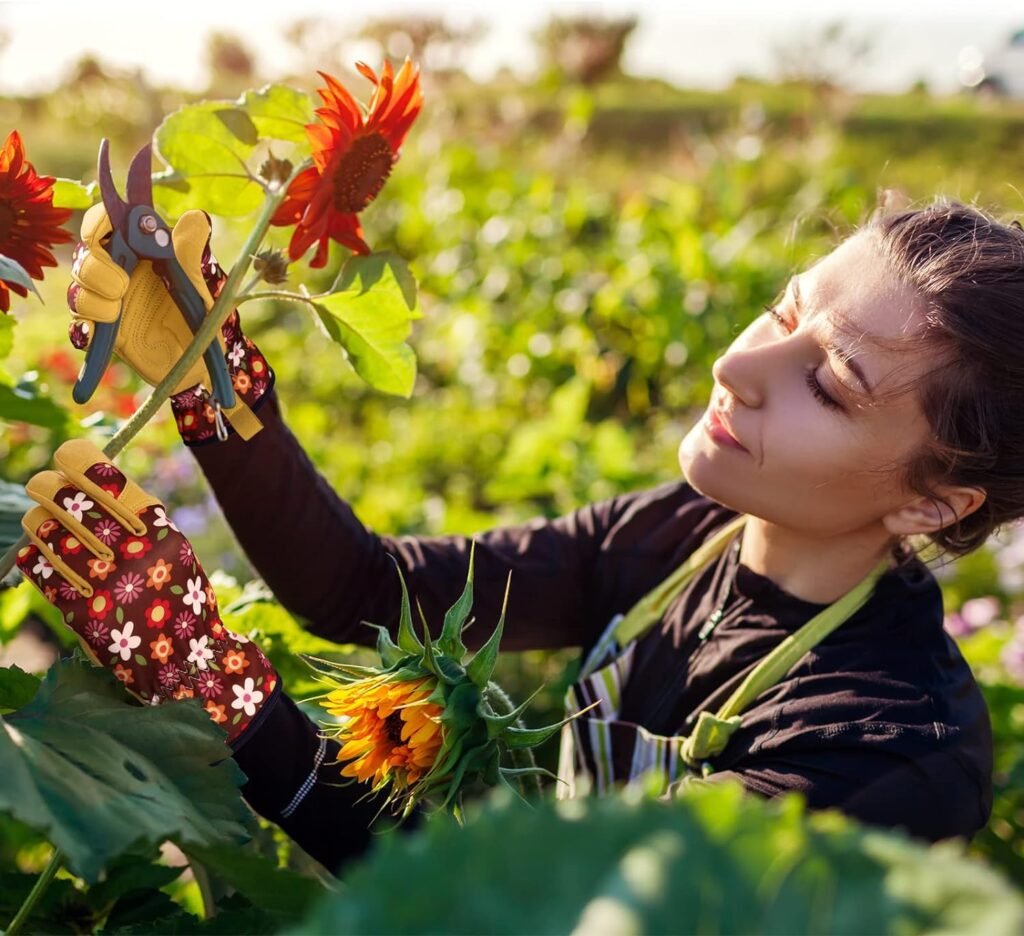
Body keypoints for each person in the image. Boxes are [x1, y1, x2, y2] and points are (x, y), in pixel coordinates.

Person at [20, 196, 1009, 875]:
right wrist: (218, 394)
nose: (740, 366)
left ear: (934, 502)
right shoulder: (683, 533)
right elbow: (366, 589)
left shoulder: (883, 753)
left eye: (830, 383)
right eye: (781, 310)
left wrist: (218, 686)